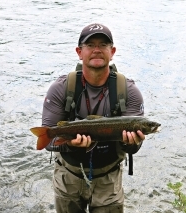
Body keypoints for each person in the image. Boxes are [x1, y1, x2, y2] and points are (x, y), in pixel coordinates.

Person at [41, 23, 145, 213]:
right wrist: (70, 143)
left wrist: (131, 143)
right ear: (79, 52)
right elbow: (48, 141)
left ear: (112, 52)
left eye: (103, 45)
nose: (97, 50)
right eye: (90, 45)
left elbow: (134, 147)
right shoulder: (61, 88)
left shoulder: (128, 92)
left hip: (108, 179)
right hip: (68, 176)